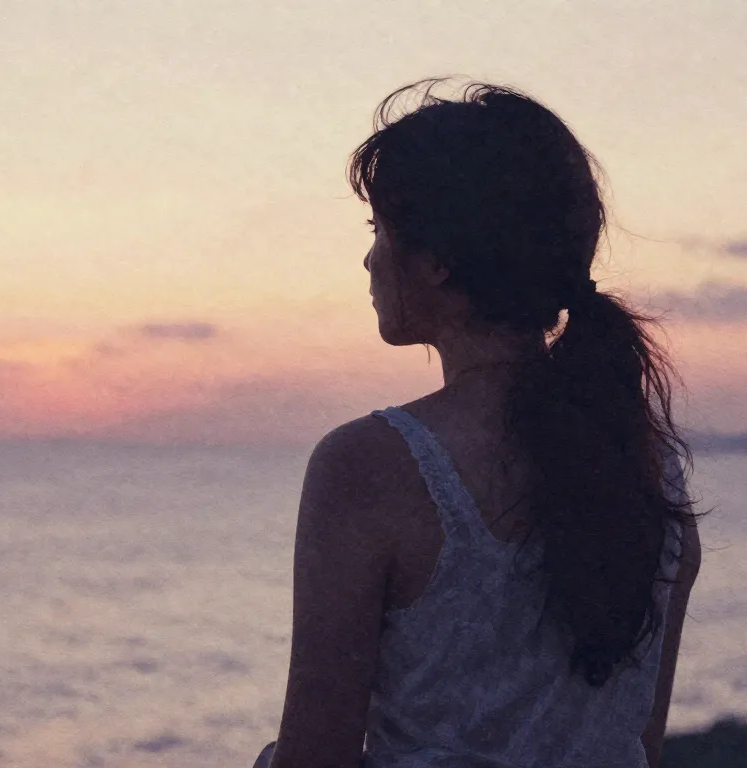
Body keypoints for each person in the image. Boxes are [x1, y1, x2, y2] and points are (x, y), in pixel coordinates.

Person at [254, 79, 702, 768]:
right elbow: (637, 744)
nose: (370, 259)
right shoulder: (648, 466)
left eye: (379, 232)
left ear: (436, 260)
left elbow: (316, 757)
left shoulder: (371, 466)